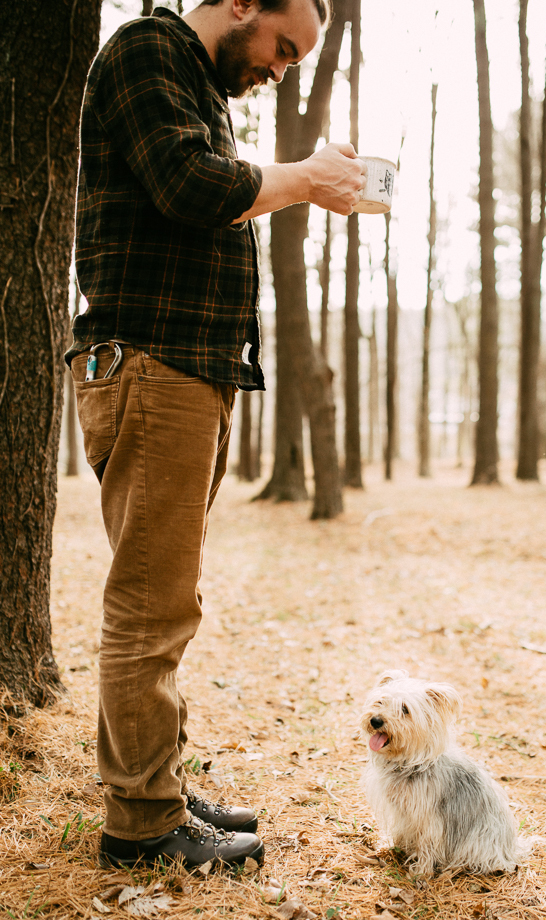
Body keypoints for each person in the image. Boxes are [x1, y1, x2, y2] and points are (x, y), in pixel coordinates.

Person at [67, 0, 366, 870]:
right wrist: (304, 178)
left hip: (187, 370)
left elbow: (206, 197)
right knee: (150, 608)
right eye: (282, 46)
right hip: (154, 367)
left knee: (168, 599)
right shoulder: (148, 49)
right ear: (241, 4)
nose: (281, 69)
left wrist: (299, 181)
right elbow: (193, 188)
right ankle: (142, 823)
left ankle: (151, 782)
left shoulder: (198, 86)